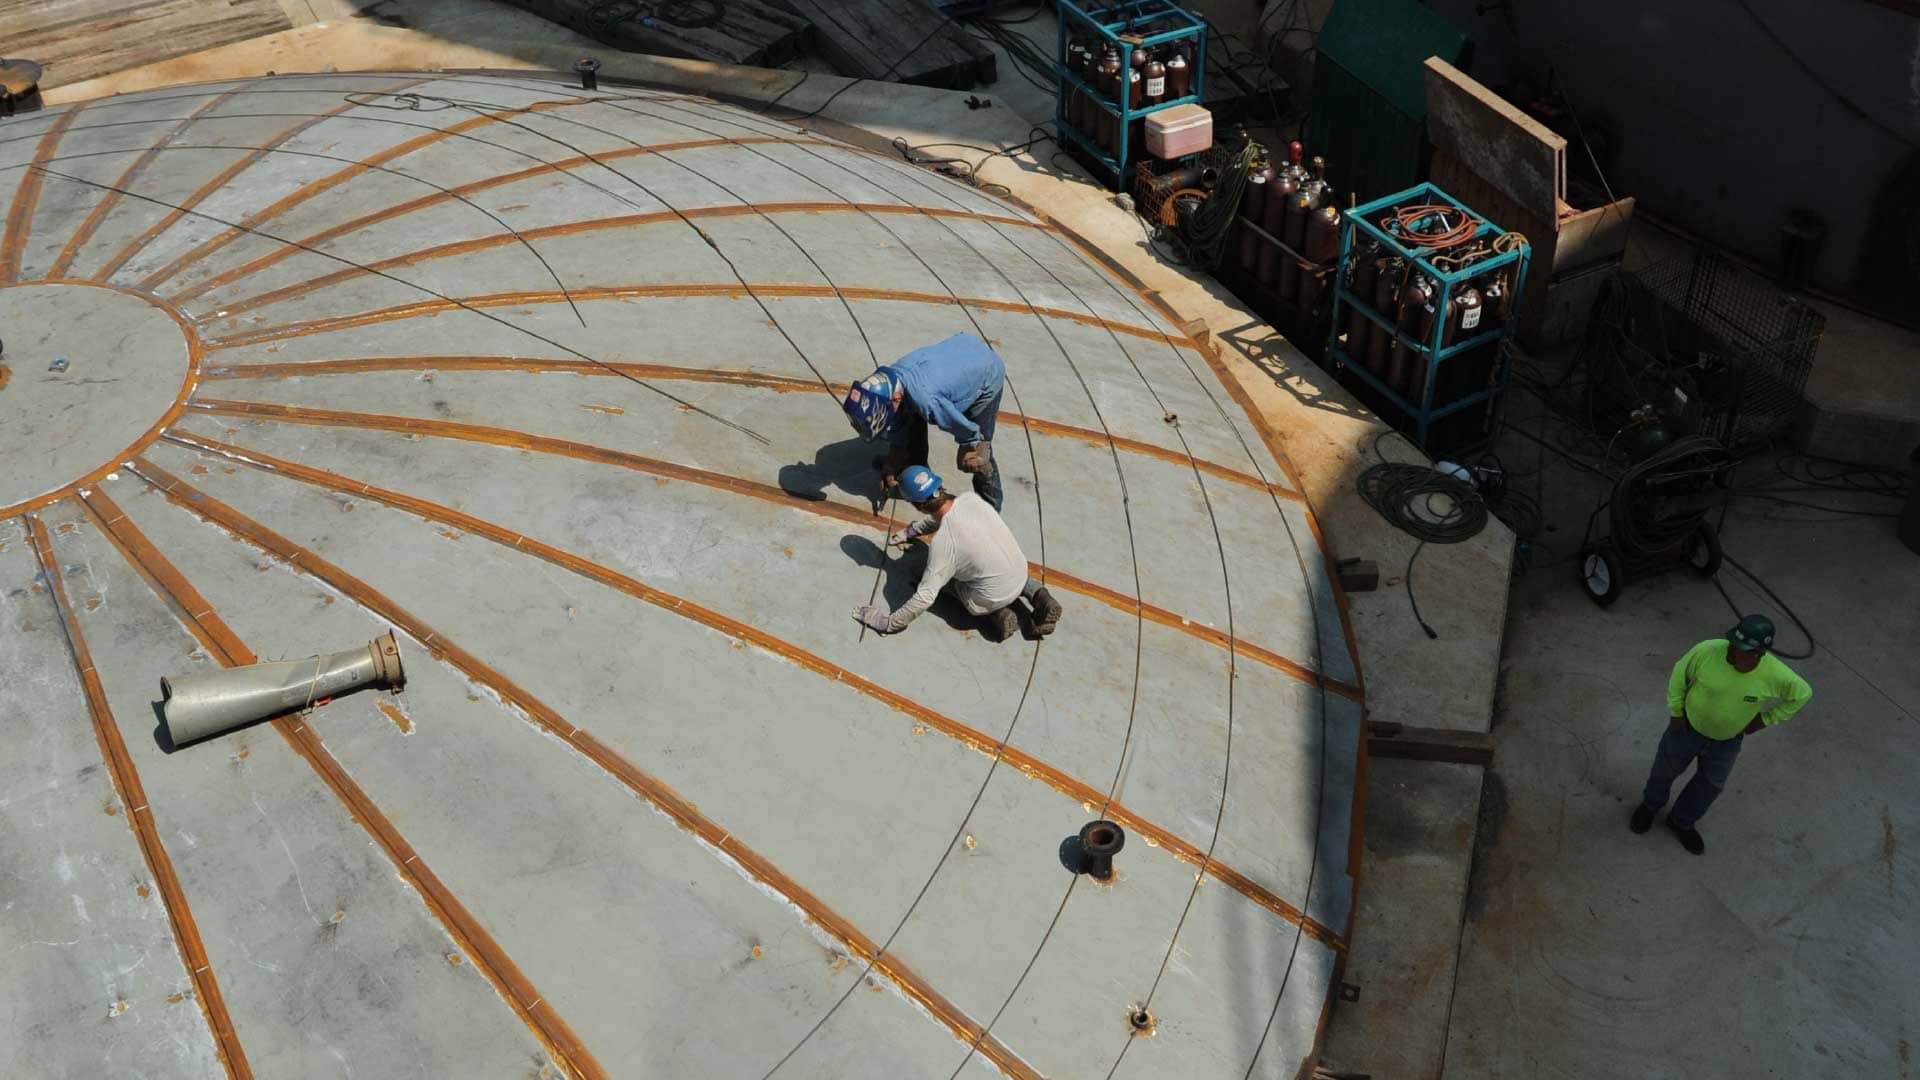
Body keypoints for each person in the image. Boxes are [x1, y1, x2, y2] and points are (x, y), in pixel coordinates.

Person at [1630, 614, 1812, 854]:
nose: (1733, 653)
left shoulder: (1775, 675)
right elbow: (1679, 674)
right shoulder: (1708, 650)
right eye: (1734, 645)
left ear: (1759, 653)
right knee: (1665, 769)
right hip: (1686, 728)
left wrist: (1766, 719)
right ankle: (1650, 805)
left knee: (1711, 784)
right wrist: (1676, 712)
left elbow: (1802, 694)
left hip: (1727, 741)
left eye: (1743, 651)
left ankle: (1681, 821)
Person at [853, 466, 1062, 640]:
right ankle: (1041, 596)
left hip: (991, 596)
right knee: (995, 560)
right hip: (1020, 572)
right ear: (939, 487)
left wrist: (887, 623)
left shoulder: (944, 544)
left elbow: (925, 597)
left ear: (917, 506)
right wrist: (912, 530)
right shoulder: (972, 500)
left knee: (940, 579)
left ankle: (999, 615)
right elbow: (943, 514)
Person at [842, 331, 1006, 511]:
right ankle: (915, 475)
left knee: (978, 457)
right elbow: (899, 424)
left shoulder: (927, 401)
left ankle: (991, 509)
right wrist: (896, 460)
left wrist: (971, 445)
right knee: (906, 420)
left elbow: (965, 428)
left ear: (896, 398)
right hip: (963, 351)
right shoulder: (891, 379)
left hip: (986, 372)